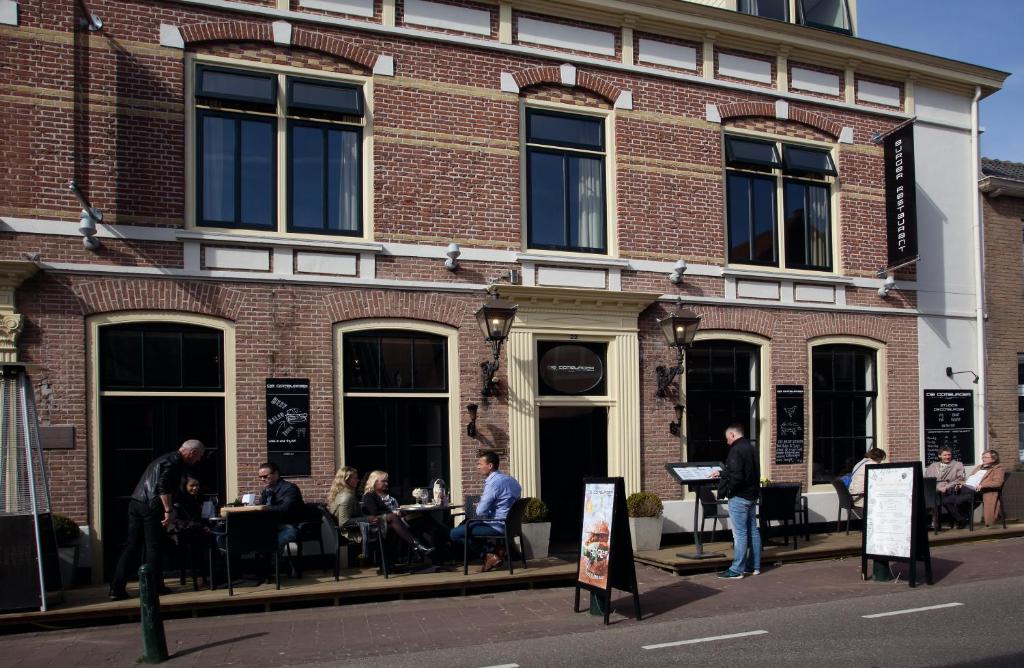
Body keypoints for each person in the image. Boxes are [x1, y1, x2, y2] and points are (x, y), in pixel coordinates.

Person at [109, 439, 205, 600]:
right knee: (153, 546)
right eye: (199, 456)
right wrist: (168, 510)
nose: (199, 460)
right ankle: (153, 587)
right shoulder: (175, 461)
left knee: (131, 546)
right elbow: (163, 485)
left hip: (135, 502)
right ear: (192, 452)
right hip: (151, 506)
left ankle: (116, 588)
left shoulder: (163, 458)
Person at [450, 452, 522, 572]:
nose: (478, 467)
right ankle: (496, 551)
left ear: (490, 466)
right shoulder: (511, 480)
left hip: (497, 525)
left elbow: (480, 511)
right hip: (510, 525)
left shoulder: (492, 483)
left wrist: (482, 505)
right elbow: (507, 501)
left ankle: (489, 554)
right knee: (467, 525)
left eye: (480, 464)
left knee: (454, 533)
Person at [710, 424, 761, 579]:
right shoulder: (751, 447)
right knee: (753, 531)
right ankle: (754, 566)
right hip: (752, 496)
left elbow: (737, 475)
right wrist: (721, 472)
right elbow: (747, 470)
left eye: (727, 438)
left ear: (732, 434)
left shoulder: (736, 449)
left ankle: (737, 570)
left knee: (739, 534)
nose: (727, 442)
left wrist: (729, 490)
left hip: (739, 497)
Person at [361, 470, 435, 556]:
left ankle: (434, 545)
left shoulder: (388, 494)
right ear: (374, 482)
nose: (386, 483)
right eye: (383, 481)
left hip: (402, 517)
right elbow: (375, 512)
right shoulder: (369, 496)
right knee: (419, 524)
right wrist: (394, 512)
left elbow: (403, 502)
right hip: (387, 521)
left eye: (387, 481)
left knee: (424, 517)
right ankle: (419, 546)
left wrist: (415, 498)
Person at [942, 450, 1006, 528]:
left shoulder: (998, 469)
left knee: (958, 502)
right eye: (983, 457)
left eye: (985, 457)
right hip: (965, 488)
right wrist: (961, 484)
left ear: (993, 459)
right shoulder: (979, 467)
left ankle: (964, 519)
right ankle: (962, 520)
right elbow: (970, 479)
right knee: (946, 501)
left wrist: (983, 485)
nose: (983, 458)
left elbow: (998, 482)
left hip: (978, 491)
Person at [258, 462, 305, 548]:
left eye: (265, 476)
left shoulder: (290, 488)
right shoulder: (266, 491)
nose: (262, 479)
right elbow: (260, 507)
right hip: (273, 526)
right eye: (260, 477)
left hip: (290, 525)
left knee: (274, 543)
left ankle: (274, 560)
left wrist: (265, 509)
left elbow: (285, 508)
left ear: (276, 474)